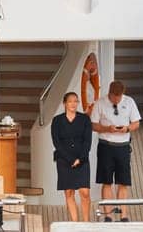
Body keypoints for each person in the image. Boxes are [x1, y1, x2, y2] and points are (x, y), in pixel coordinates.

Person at [92, 79, 142, 221]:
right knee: (106, 181)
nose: (116, 99)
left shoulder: (129, 102)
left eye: (119, 96)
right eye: (114, 96)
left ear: (122, 94)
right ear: (110, 93)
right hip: (106, 145)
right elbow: (94, 125)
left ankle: (123, 215)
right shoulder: (100, 103)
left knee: (123, 182)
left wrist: (127, 128)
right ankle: (108, 215)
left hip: (123, 146)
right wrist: (107, 128)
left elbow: (136, 123)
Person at [50, 91, 93, 222]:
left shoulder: (85, 119)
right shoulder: (57, 120)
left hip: (82, 159)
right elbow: (57, 142)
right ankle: (75, 223)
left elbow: (87, 141)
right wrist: (70, 159)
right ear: (64, 103)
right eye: (70, 101)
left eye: (76, 101)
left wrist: (80, 158)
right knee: (69, 192)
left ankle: (86, 222)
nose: (73, 104)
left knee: (84, 192)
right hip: (64, 160)